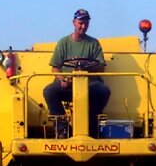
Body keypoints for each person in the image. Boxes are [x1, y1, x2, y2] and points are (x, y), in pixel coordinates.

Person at [43, 9, 111, 137]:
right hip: (68, 84)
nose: (83, 26)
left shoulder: (94, 43)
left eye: (86, 23)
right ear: (74, 22)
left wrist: (88, 67)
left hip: (89, 84)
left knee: (103, 91)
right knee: (49, 91)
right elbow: (55, 67)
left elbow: (101, 67)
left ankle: (91, 125)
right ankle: (62, 128)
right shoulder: (64, 43)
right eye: (80, 23)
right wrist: (62, 80)